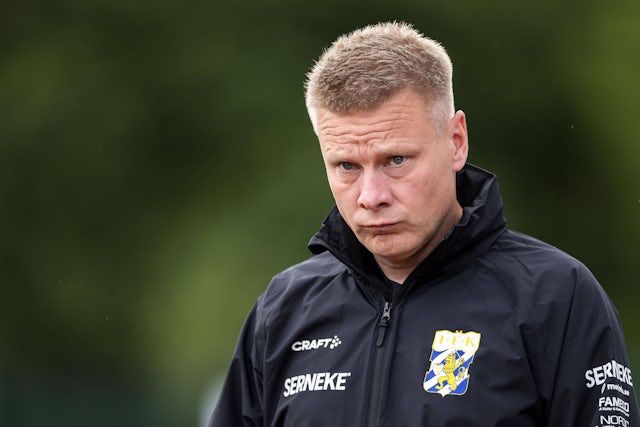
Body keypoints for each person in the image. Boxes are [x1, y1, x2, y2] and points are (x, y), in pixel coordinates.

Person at [209, 21, 639, 426]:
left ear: (456, 142)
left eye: (396, 160)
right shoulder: (283, 311)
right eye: (346, 166)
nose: (371, 195)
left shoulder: (557, 297)